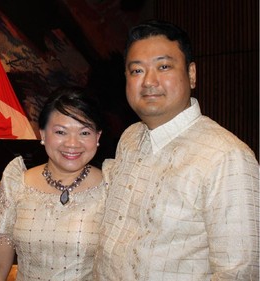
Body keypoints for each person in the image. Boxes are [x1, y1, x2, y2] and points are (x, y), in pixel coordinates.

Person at [94, 20, 259, 280]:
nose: (149, 81)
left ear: (191, 74)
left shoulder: (226, 157)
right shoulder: (130, 138)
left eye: (164, 66)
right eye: (136, 71)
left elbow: (238, 273)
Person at [0, 86, 108, 281]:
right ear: (42, 134)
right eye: (60, 132)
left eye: (84, 133)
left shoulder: (112, 186)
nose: (72, 143)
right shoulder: (17, 183)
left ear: (97, 137)